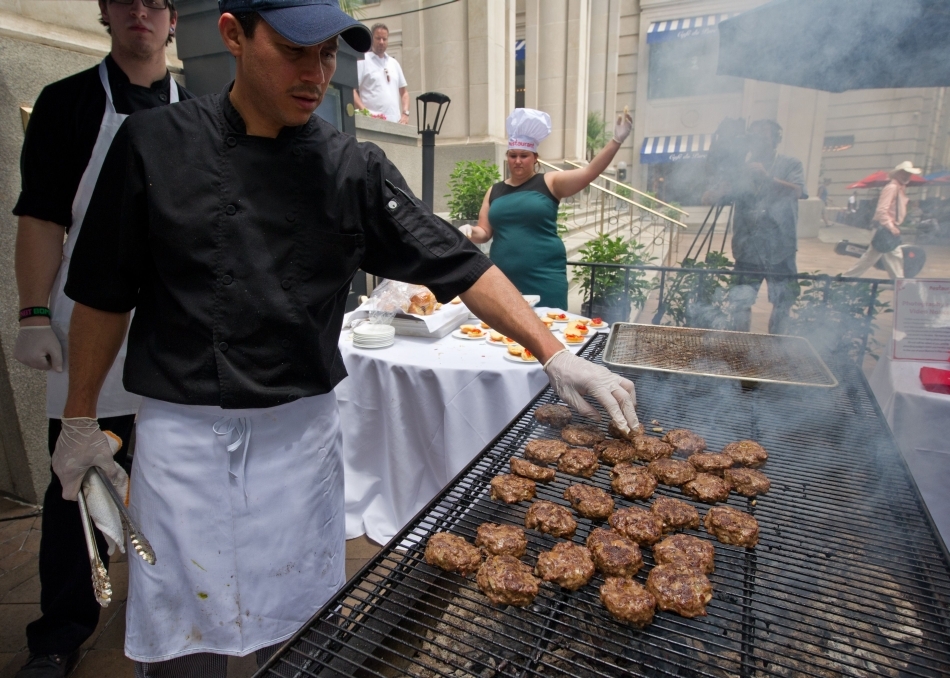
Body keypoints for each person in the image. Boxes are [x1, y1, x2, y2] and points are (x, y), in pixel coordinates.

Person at [51, 2, 639, 675]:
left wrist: (554, 352)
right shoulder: (153, 144)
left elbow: (460, 263)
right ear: (234, 35)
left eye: (329, 54)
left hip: (297, 443)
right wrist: (78, 418)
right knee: (190, 645)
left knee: (301, 635)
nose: (317, 72)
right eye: (296, 50)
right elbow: (101, 295)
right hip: (183, 442)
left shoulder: (351, 167)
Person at [11, 1, 191, 676]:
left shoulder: (202, 107)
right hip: (87, 326)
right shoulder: (68, 102)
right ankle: (61, 629)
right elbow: (40, 217)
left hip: (174, 330)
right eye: (125, 1)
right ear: (106, 14)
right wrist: (32, 313)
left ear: (172, 19)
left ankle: (171, 605)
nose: (139, 13)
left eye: (155, 2)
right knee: (76, 485)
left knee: (174, 480)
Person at [462, 107, 633, 309]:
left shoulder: (550, 182)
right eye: (513, 155)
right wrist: (470, 231)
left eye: (524, 156)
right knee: (505, 336)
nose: (517, 161)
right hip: (503, 278)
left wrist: (616, 141)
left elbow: (589, 172)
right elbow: (484, 232)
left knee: (550, 331)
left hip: (545, 277)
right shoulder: (494, 190)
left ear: (535, 158)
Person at [728, 119, 805, 335]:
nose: (758, 140)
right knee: (740, 303)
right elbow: (721, 194)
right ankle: (739, 348)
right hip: (747, 248)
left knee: (783, 303)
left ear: (775, 139)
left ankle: (776, 350)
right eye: (754, 136)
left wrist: (767, 177)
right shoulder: (742, 168)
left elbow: (797, 191)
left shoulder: (790, 164)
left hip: (780, 248)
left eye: (764, 135)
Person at [843, 161, 919, 280]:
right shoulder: (892, 188)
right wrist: (891, 227)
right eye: (904, 173)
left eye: (908, 174)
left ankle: (846, 278)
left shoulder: (898, 188)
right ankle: (900, 285)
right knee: (893, 258)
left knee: (871, 258)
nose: (907, 176)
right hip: (885, 228)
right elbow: (882, 210)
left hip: (886, 228)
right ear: (898, 174)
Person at [353, 23, 409, 123]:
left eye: (384, 39)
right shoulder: (363, 61)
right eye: (378, 38)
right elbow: (352, 91)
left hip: (395, 123)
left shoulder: (394, 63)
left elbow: (404, 93)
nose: (381, 42)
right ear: (372, 38)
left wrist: (405, 114)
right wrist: (365, 112)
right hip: (372, 123)